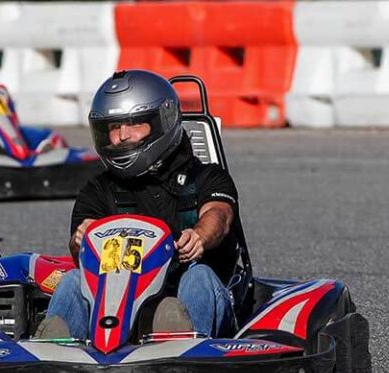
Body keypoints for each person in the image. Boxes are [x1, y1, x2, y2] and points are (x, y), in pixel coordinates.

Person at [36, 70, 240, 340]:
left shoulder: (206, 177)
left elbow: (219, 215)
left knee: (198, 275)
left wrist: (200, 236)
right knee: (73, 280)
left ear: (161, 122)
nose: (121, 136)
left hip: (186, 291)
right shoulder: (98, 190)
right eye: (113, 128)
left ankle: (182, 348)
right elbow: (78, 255)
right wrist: (80, 241)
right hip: (119, 308)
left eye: (133, 124)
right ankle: (55, 355)